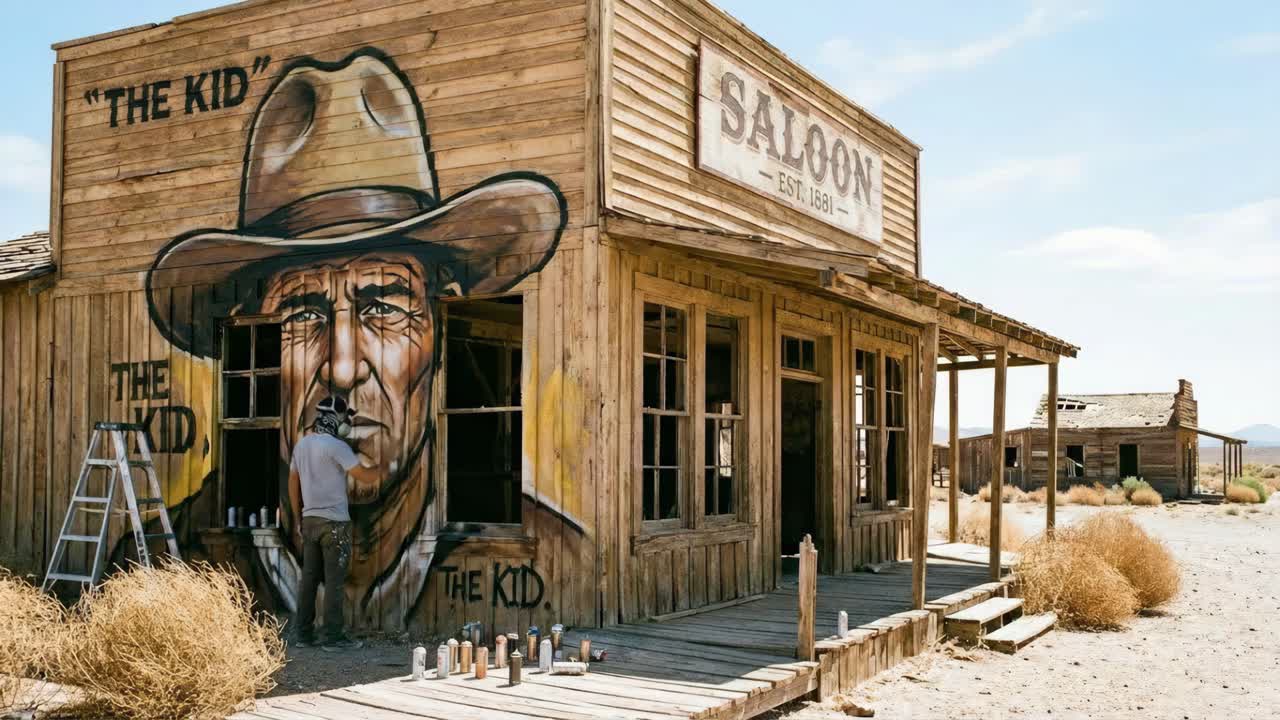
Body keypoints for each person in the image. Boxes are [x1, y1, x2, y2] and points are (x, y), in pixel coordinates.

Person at [289, 395, 379, 650]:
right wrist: (386, 468)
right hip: (334, 524)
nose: (346, 423)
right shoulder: (337, 447)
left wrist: (299, 518)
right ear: (335, 419)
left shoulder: (302, 446)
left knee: (308, 580)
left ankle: (304, 635)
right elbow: (363, 476)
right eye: (345, 418)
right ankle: (333, 637)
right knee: (334, 582)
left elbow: (292, 484)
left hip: (310, 521)